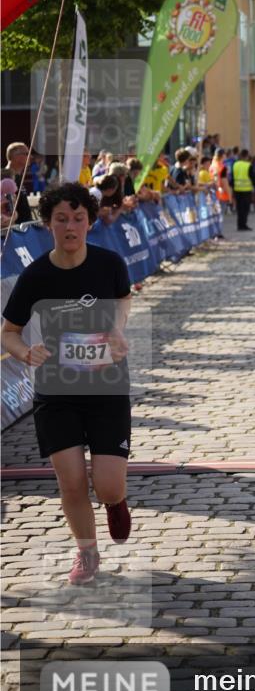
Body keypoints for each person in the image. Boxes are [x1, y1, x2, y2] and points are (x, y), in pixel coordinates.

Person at [1, 183, 133, 585]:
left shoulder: (110, 264)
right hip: (55, 391)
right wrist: (25, 353)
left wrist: (117, 329)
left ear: (91, 223)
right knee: (72, 480)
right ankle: (86, 554)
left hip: (106, 387)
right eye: (62, 220)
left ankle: (115, 501)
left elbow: (124, 299)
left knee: (107, 486)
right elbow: (8, 331)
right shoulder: (36, 275)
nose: (70, 227)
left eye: (78, 219)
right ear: (48, 224)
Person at [4, 142, 32, 224]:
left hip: (23, 229)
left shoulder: (16, 177)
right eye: (27, 153)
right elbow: (7, 210)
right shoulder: (6, 178)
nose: (30, 156)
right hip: (15, 231)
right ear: (15, 157)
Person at [231, 148, 255, 231]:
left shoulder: (235, 164)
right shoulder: (248, 165)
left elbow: (232, 177)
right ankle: (243, 225)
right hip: (246, 190)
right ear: (247, 156)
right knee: (245, 209)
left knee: (239, 208)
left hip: (237, 190)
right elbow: (253, 178)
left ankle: (239, 225)